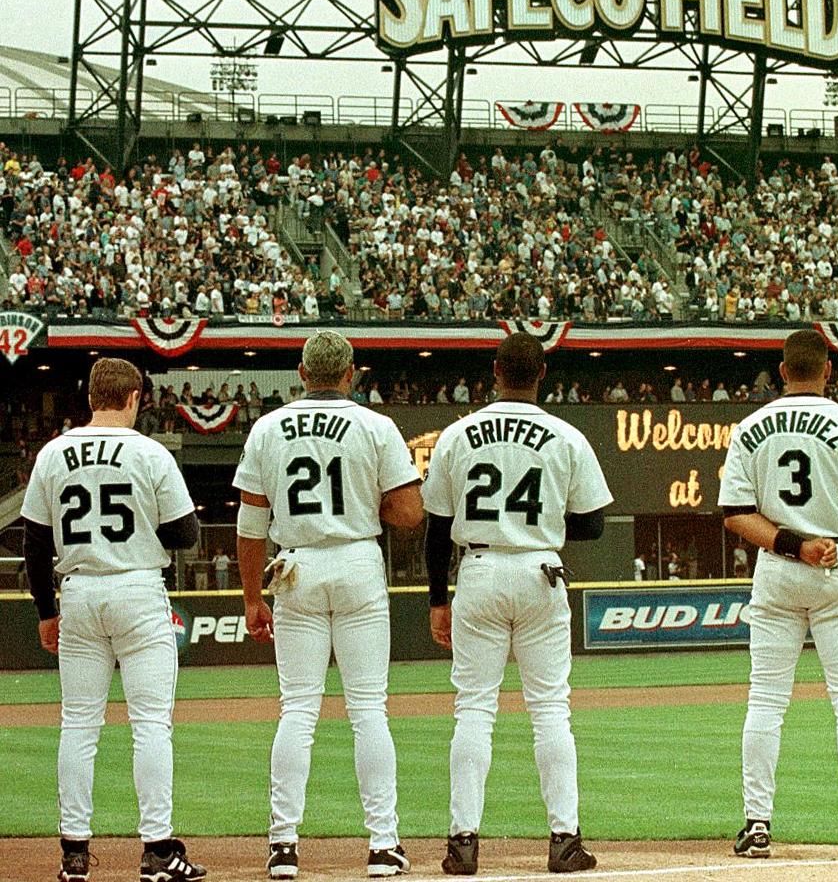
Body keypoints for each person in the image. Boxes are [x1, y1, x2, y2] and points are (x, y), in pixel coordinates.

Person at [234, 331, 424, 879]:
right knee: (368, 711)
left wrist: (251, 597)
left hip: (295, 565)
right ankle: (384, 845)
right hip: (357, 558)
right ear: (350, 374)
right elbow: (411, 512)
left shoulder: (268, 427)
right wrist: (369, 501)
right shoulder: (374, 424)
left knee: (298, 709)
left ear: (300, 371)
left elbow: (251, 524)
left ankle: (283, 845)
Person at [719, 329, 838, 860]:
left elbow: (736, 514)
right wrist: (823, 534)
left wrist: (793, 543)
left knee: (765, 701)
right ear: (829, 371)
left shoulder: (751, 426)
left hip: (777, 569)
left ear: (782, 372)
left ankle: (756, 826)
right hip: (837, 568)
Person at [423, 332, 611, 875]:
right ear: (542, 374)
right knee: (551, 709)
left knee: (473, 710)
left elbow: (437, 529)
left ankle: (462, 843)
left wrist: (438, 598)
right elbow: (595, 523)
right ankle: (565, 841)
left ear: (496, 371)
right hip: (539, 570)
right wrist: (546, 522)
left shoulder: (458, 435)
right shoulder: (566, 435)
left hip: (478, 572)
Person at [21, 359, 207, 882]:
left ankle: (74, 854)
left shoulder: (54, 452)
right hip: (136, 588)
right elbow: (186, 534)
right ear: (133, 397)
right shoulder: (150, 451)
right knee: (150, 725)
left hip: (78, 592)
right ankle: (157, 852)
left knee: (78, 725)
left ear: (89, 397)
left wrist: (45, 611)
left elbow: (36, 542)